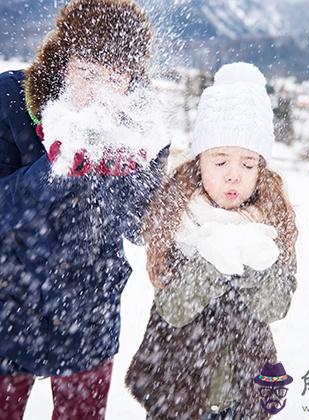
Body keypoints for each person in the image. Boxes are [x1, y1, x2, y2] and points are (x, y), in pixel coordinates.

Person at [0, 0, 168, 418]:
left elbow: (139, 227)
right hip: (7, 304)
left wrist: (120, 173)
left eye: (113, 78)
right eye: (87, 73)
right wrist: (52, 170)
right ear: (64, 60)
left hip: (87, 313)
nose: (98, 92)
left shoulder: (145, 133)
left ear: (131, 80)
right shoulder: (11, 99)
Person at [125, 62, 298, 419]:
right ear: (199, 160)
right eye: (220, 161)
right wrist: (211, 260)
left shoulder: (271, 221)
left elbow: (273, 307)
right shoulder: (178, 216)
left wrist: (253, 256)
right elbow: (174, 309)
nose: (234, 175)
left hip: (243, 391)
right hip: (176, 388)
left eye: (248, 164)